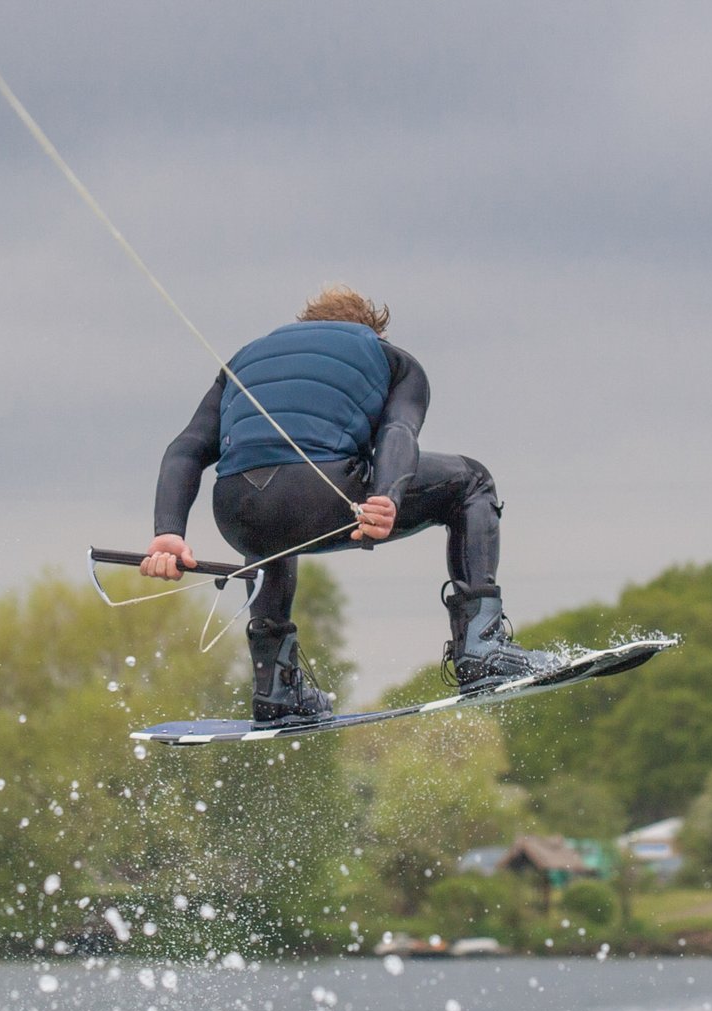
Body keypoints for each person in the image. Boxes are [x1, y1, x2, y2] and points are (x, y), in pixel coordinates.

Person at [141, 285, 562, 723]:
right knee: (472, 481)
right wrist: (388, 498)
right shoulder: (391, 359)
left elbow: (186, 448)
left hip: (235, 511)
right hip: (324, 494)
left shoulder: (244, 358)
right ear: (372, 329)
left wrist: (169, 532)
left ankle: (275, 685)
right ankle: (482, 646)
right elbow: (398, 431)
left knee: (271, 531)